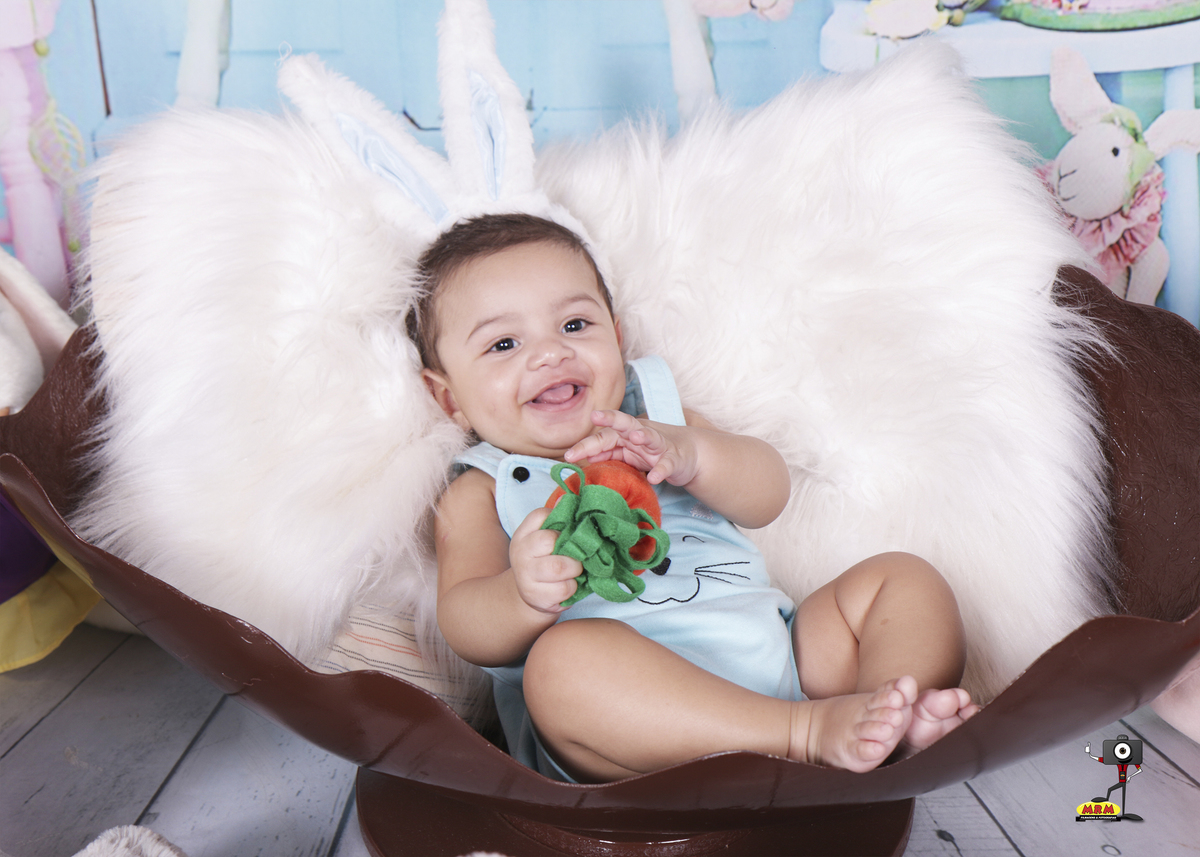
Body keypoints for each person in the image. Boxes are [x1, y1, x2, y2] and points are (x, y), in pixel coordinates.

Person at [411, 211, 978, 784]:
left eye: (575, 325)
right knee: (560, 665)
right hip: (636, 721)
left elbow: (768, 496)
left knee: (902, 578)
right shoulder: (483, 488)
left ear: (617, 338)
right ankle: (803, 737)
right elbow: (464, 623)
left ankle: (890, 711)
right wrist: (521, 594)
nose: (551, 353)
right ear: (449, 398)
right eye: (504, 343)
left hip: (785, 663)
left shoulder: (662, 423)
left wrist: (693, 455)